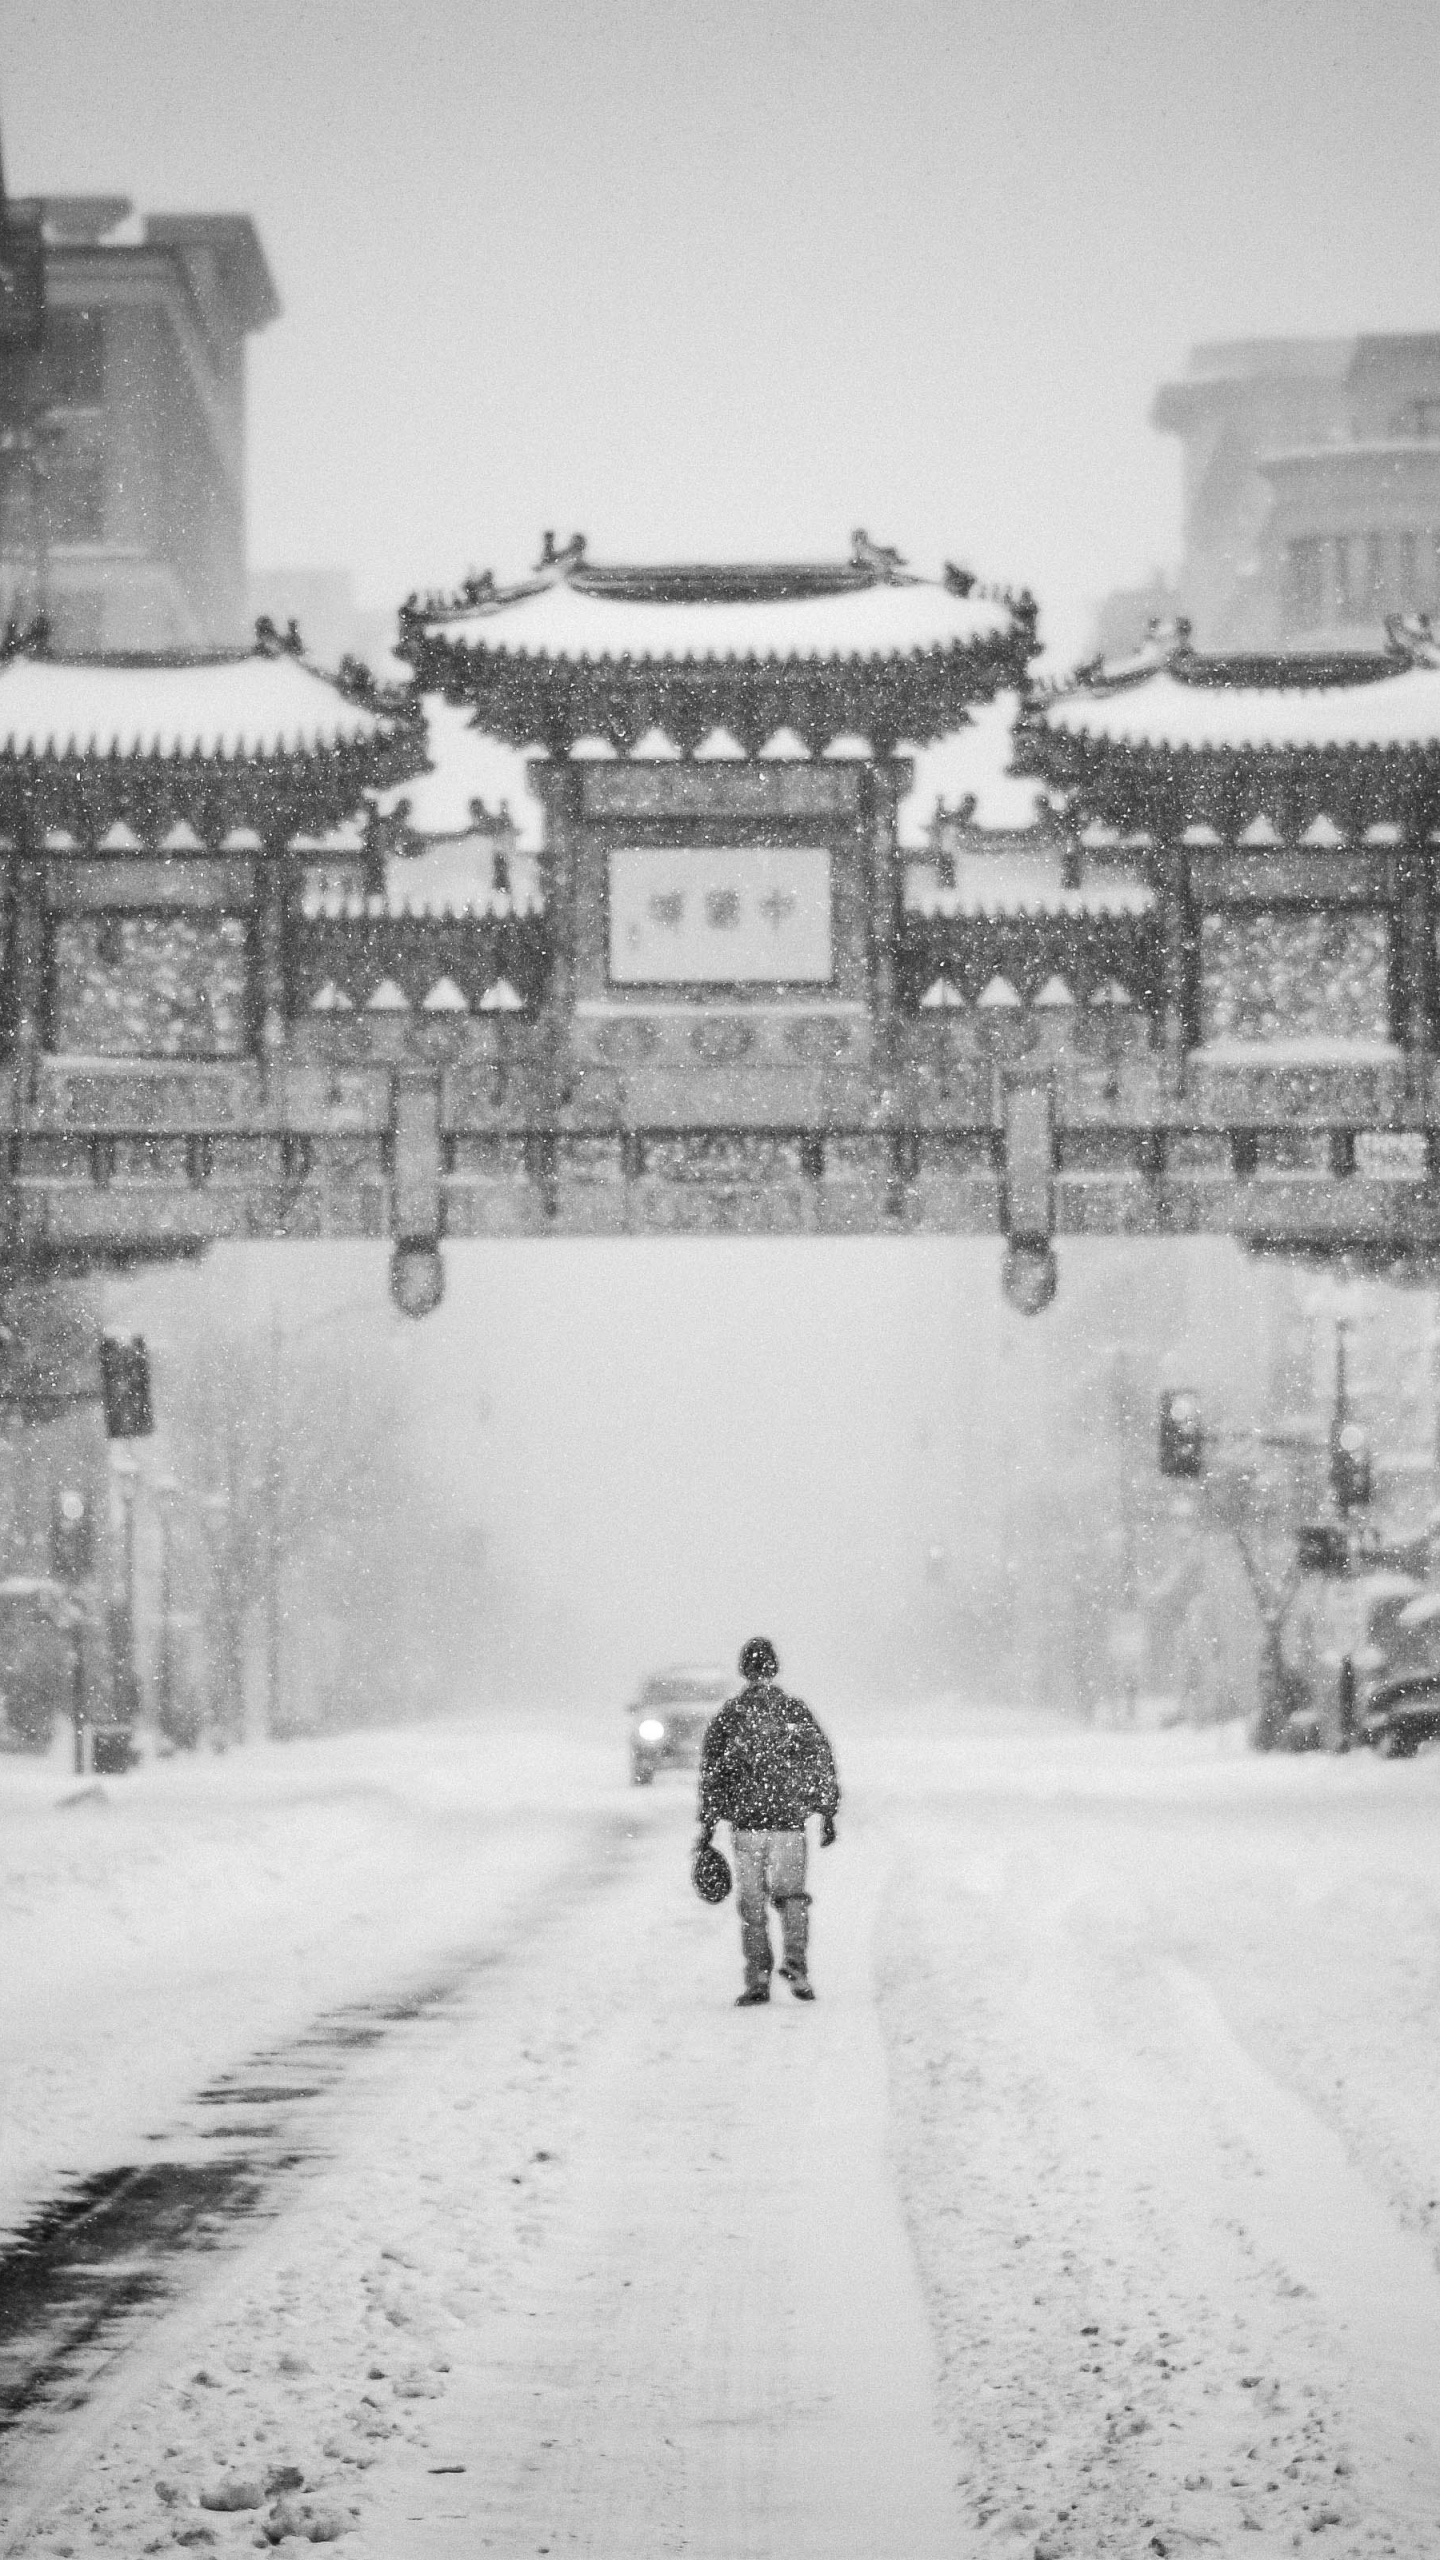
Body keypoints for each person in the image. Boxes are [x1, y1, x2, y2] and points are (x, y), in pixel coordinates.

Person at [696, 1636, 840, 2008]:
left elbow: (714, 1772)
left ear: (745, 1670)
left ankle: (757, 1978)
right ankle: (798, 1966)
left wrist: (709, 1822)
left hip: (747, 1826)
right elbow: (819, 1760)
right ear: (774, 1668)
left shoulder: (731, 1715)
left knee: (753, 1904)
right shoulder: (793, 1711)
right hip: (789, 1822)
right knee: (792, 1897)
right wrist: (826, 1812)